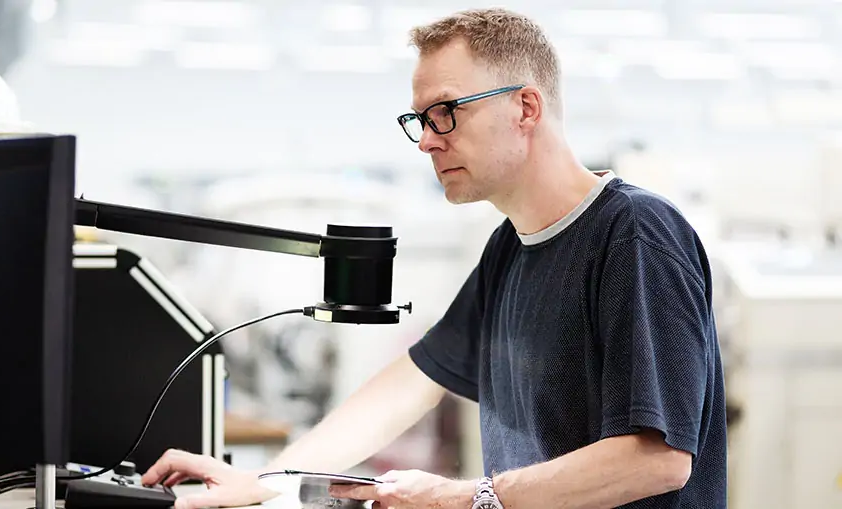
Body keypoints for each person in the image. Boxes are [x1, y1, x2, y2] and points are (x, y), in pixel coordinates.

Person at [141, 7, 728, 509]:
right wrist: (264, 482)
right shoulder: (510, 247)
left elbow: (654, 459)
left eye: (447, 111)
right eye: (420, 119)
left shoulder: (634, 235)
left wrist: (466, 496)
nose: (426, 139)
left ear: (526, 107)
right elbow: (414, 381)